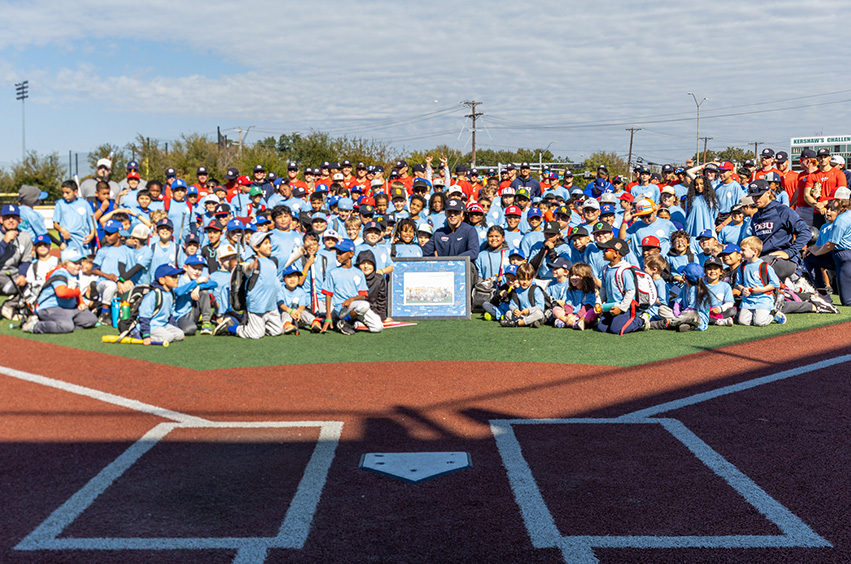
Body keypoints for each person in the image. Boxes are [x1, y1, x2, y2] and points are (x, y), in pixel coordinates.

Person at [215, 231, 283, 339]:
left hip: (270, 305)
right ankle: (231, 327)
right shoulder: (253, 261)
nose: (269, 245)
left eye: (269, 243)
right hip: (257, 305)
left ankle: (254, 325)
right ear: (256, 247)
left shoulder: (271, 261)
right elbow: (244, 268)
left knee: (277, 330)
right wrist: (250, 266)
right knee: (256, 335)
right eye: (266, 243)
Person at [22, 248, 98, 334]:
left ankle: (63, 324)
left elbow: (75, 292)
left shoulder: (74, 274)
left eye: (79, 263)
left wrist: (80, 302)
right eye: (74, 263)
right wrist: (77, 292)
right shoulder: (60, 273)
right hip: (50, 308)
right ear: (64, 264)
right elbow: (62, 292)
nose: (78, 266)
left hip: (68, 309)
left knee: (91, 319)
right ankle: (34, 326)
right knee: (66, 326)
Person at [748, 179, 810, 280]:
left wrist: (789, 252)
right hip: (763, 258)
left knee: (757, 268)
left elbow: (806, 232)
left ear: (768, 193)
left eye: (759, 196)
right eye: (753, 196)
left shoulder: (782, 211)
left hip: (784, 259)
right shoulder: (755, 216)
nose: (755, 199)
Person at [320, 239, 382, 335]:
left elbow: (363, 295)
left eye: (341, 253)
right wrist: (328, 315)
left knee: (377, 327)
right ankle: (344, 321)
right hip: (340, 308)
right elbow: (328, 294)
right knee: (364, 305)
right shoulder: (333, 273)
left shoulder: (359, 273)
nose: (338, 255)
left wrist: (352, 299)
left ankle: (348, 322)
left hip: (354, 306)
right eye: (337, 252)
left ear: (351, 254)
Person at [596, 237, 646, 335]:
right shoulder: (606, 269)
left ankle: (641, 320)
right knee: (602, 328)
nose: (603, 252)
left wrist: (621, 308)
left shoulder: (624, 270)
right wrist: (598, 302)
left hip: (625, 307)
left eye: (606, 250)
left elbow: (630, 291)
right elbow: (603, 288)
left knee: (617, 330)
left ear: (616, 253)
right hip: (610, 306)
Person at [734, 236, 784, 326]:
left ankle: (773, 314)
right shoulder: (741, 266)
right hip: (748, 300)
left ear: (755, 251)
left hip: (763, 299)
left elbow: (775, 284)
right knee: (743, 322)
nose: (740, 252)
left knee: (759, 322)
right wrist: (742, 289)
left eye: (743, 250)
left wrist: (761, 290)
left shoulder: (765, 266)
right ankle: (757, 315)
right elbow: (738, 283)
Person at [651, 262, 709, 331]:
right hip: (683, 316)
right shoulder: (685, 286)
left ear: (684, 277)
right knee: (662, 309)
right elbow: (678, 302)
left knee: (691, 314)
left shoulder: (695, 289)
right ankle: (683, 324)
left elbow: (691, 308)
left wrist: (681, 315)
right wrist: (677, 314)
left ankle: (668, 323)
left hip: (697, 319)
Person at [138, 263, 185, 345]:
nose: (176, 279)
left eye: (177, 276)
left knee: (180, 334)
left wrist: (175, 327)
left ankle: (162, 335)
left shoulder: (171, 294)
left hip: (163, 325)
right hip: (151, 326)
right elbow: (144, 317)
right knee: (169, 337)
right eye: (173, 276)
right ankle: (139, 335)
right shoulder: (153, 295)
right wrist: (146, 335)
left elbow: (170, 315)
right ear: (162, 280)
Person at [53, 180, 96, 255]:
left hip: (83, 242)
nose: (64, 195)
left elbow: (92, 222)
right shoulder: (60, 204)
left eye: (67, 193)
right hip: (68, 242)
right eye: (63, 192)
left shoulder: (84, 204)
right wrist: (62, 230)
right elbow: (55, 224)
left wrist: (92, 235)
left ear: (75, 192)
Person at [278, 263, 322, 334]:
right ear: (283, 279)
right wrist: (290, 311)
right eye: (289, 277)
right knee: (285, 313)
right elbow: (281, 304)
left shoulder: (300, 291)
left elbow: (302, 305)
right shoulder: (281, 290)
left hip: (297, 314)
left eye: (295, 277)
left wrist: (298, 311)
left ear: (299, 279)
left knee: (305, 312)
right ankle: (287, 324)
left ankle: (314, 322)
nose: (292, 279)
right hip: (286, 311)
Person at [501, 262, 546, 327]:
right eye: (522, 279)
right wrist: (515, 310)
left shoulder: (535, 289)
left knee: (539, 314)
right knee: (508, 313)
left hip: (532, 313)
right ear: (518, 278)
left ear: (532, 278)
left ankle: (517, 323)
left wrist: (528, 310)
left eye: (528, 279)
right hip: (521, 315)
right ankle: (530, 322)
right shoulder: (516, 291)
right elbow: (512, 304)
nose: (525, 282)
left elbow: (540, 307)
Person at [355, 249, 390, 322]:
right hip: (355, 311)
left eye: (369, 263)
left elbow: (381, 300)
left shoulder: (379, 279)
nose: (366, 266)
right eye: (363, 263)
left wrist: (382, 318)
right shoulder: (353, 277)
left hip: (372, 312)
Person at [703, 256, 736, 326]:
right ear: (705, 271)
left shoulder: (725, 286)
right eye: (709, 269)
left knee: (732, 310)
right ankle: (718, 321)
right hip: (705, 310)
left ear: (721, 271)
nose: (712, 271)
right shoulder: (701, 285)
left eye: (715, 269)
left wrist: (719, 309)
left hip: (719, 311)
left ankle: (713, 320)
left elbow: (730, 303)